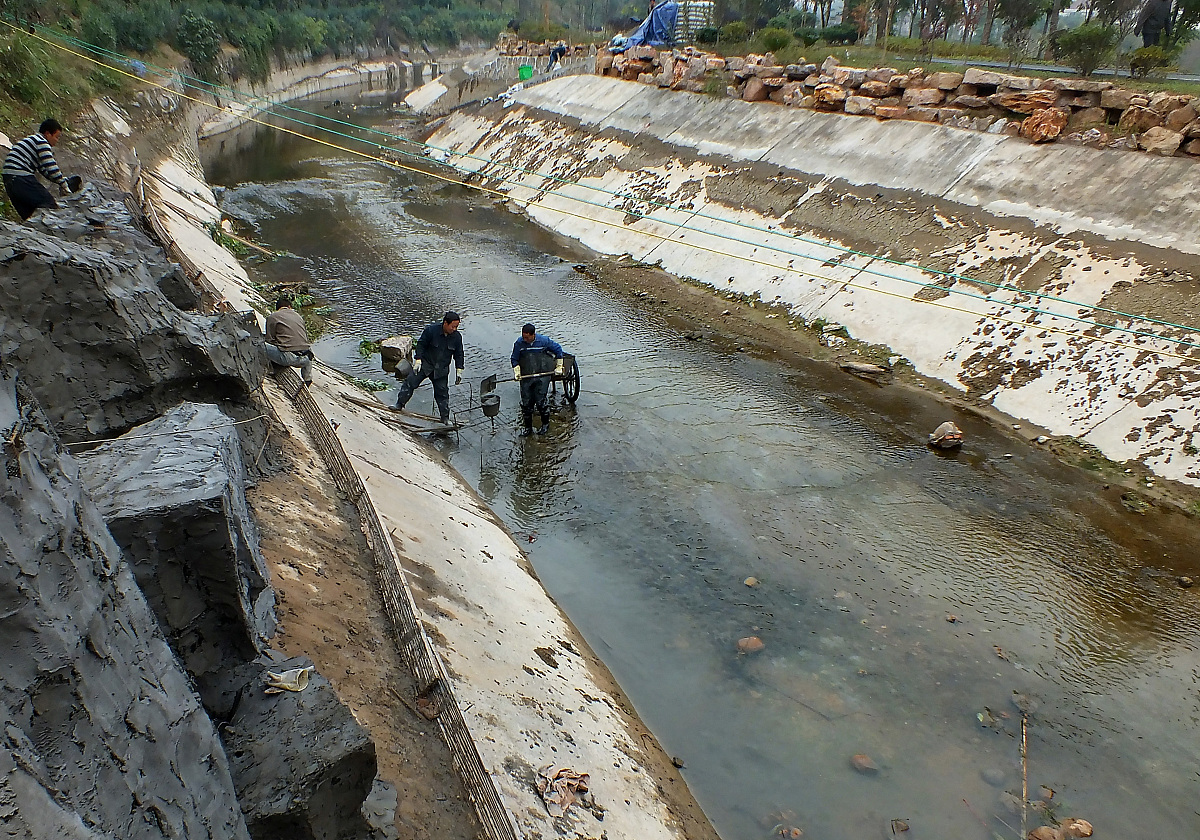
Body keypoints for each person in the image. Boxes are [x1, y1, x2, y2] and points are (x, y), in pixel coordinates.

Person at [395, 311, 465, 425]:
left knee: (442, 394)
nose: (455, 329)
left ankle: (445, 418)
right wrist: (418, 359)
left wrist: (459, 369)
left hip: (441, 370)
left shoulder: (457, 338)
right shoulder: (431, 331)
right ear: (445, 323)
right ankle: (399, 404)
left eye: (457, 327)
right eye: (453, 326)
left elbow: (459, 354)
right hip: (425, 365)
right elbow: (421, 345)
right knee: (409, 383)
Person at [3, 118, 79, 221]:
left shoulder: (33, 141)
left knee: (30, 215)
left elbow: (44, 170)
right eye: (56, 137)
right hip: (20, 177)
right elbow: (51, 167)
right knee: (49, 203)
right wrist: (64, 185)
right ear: (47, 134)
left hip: (9, 180)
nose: (57, 141)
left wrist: (62, 180)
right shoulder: (41, 141)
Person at [511, 323, 564, 436]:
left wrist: (559, 366)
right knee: (526, 403)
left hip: (542, 375)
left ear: (533, 335)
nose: (524, 339)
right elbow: (514, 359)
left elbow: (558, 350)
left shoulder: (544, 341)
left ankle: (545, 425)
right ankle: (528, 428)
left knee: (540, 401)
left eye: (527, 337)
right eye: (523, 336)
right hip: (527, 376)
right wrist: (517, 371)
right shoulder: (519, 344)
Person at [264, 295, 314, 385]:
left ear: (278, 308)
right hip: (306, 359)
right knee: (307, 348)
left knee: (260, 345)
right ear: (290, 307)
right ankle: (307, 378)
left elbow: (269, 339)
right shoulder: (299, 317)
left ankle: (272, 369)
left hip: (288, 358)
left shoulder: (273, 316)